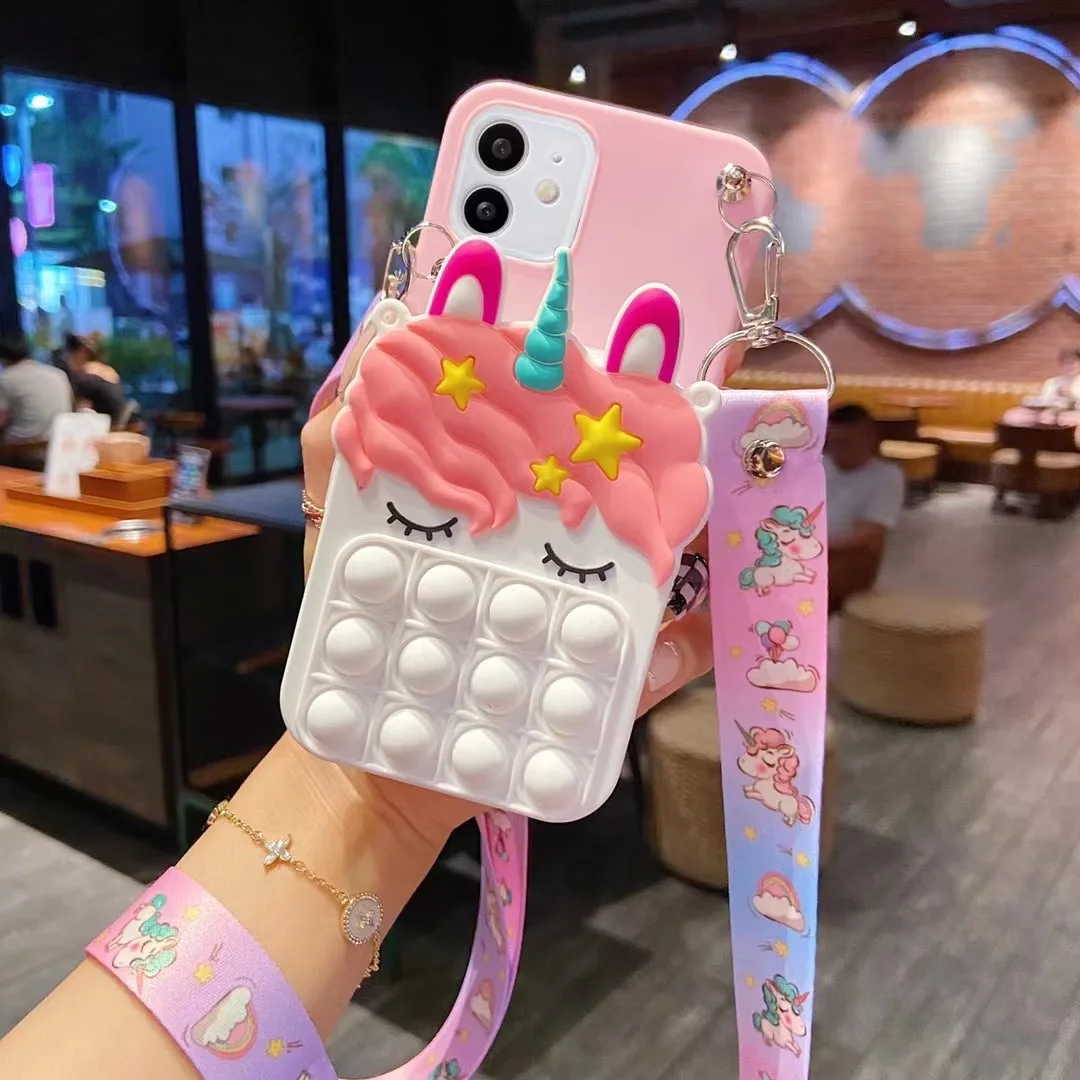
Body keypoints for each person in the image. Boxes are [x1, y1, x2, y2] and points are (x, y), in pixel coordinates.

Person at [824, 403, 905, 611]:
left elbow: (870, 533)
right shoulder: (819, 465)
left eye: (845, 443)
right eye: (833, 443)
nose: (836, 451)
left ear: (869, 438)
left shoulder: (886, 476)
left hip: (844, 561)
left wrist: (816, 548)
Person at [0, 332, 73, 445]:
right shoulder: (58, 374)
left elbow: (1, 419)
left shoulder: (6, 379)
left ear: (4, 359)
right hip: (59, 441)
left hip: (23, 446)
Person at [63, 333, 136, 429]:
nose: (68, 362)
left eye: (69, 356)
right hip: (125, 423)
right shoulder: (108, 370)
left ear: (81, 352)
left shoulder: (87, 377)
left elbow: (81, 414)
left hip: (111, 429)